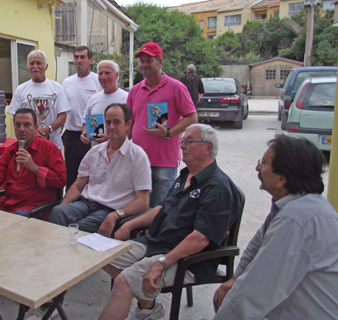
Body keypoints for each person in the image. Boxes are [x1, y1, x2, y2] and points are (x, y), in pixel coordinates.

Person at [98, 124, 242, 320]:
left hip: (186, 259)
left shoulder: (218, 187)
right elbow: (162, 209)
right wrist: (129, 224)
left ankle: (143, 305)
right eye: (182, 141)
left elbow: (200, 240)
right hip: (157, 243)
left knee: (124, 281)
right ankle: (149, 308)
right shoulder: (185, 175)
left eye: (189, 141)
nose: (182, 145)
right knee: (103, 256)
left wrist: (161, 264)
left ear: (208, 148)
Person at [213, 134, 338, 319]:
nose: (257, 168)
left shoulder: (296, 219)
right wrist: (235, 278)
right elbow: (256, 245)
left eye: (263, 163)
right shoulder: (296, 202)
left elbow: (255, 292)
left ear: (281, 179)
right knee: (225, 298)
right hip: (290, 306)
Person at [49, 103, 151, 236]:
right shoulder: (94, 152)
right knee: (58, 212)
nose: (111, 126)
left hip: (112, 209)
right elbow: (77, 187)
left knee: (78, 229)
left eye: (117, 122)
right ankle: (54, 253)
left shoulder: (138, 156)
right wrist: (63, 206)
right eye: (108, 122)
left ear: (128, 125)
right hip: (86, 204)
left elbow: (143, 202)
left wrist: (116, 215)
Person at [127, 42, 197, 209]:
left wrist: (168, 132)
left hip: (164, 162)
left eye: (149, 60)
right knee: (139, 208)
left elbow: (192, 117)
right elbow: (130, 121)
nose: (144, 65)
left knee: (162, 210)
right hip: (138, 160)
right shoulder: (135, 90)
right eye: (142, 61)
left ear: (160, 62)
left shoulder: (176, 87)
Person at [0, 108, 66, 220]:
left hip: (34, 209)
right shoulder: (10, 150)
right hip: (8, 205)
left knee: (8, 222)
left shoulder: (49, 148)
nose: (21, 129)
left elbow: (61, 180)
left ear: (36, 127)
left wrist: (34, 168)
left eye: (27, 125)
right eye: (17, 125)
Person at [7, 49, 70, 150]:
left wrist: (48, 129)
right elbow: (16, 117)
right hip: (29, 145)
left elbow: (63, 116)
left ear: (46, 66)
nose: (35, 66)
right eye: (31, 63)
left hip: (53, 144)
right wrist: (32, 131)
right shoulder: (21, 89)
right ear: (28, 66)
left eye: (38, 63)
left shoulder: (57, 87)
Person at [62, 46, 102, 189]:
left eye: (82, 57)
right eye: (76, 57)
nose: (79, 60)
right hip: (71, 135)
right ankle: (70, 205)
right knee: (71, 175)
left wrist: (94, 134)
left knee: (91, 174)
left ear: (90, 60)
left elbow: (102, 106)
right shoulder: (67, 82)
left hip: (91, 135)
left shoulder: (98, 80)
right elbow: (63, 110)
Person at [81, 60, 128, 146]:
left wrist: (110, 137)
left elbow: (131, 127)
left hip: (120, 152)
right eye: (100, 73)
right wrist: (85, 134)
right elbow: (85, 122)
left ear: (116, 75)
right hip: (97, 153)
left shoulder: (126, 98)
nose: (103, 77)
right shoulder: (93, 99)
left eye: (107, 73)